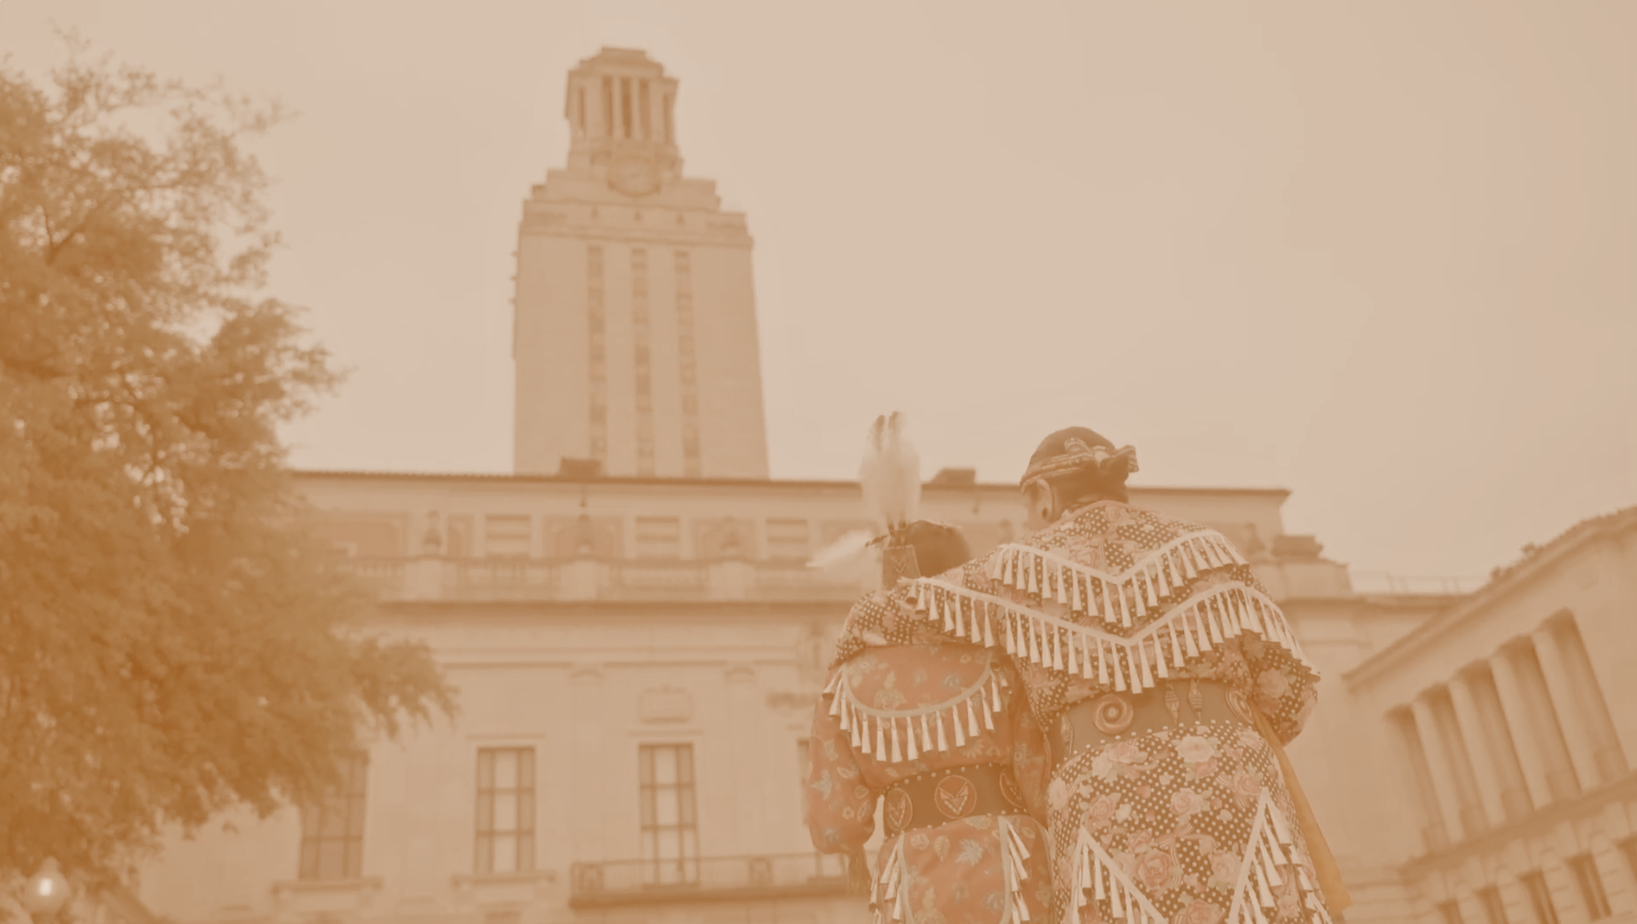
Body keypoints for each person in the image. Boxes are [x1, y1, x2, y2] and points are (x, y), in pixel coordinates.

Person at [900, 428, 1346, 924]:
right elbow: (1289, 696)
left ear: (1042, 497)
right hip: (1234, 780)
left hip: (1104, 797)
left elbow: (890, 612)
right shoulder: (1210, 549)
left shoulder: (1010, 571)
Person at [805, 519, 1056, 924]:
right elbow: (1042, 789)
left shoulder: (843, 684)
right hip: (1012, 867)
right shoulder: (1001, 661)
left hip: (912, 880)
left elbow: (834, 826)